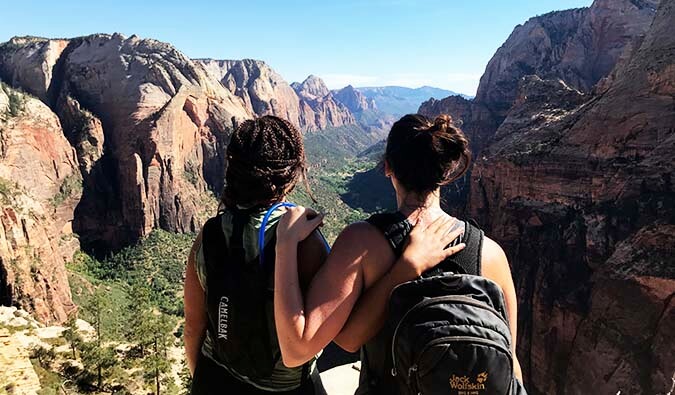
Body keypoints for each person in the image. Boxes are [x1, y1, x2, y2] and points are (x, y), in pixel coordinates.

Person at [274, 114, 523, 393]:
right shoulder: (490, 253)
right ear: (445, 172)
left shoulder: (362, 243)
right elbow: (509, 360)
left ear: (388, 168)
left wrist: (284, 245)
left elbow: (314, 346)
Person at [183, 116, 329, 394]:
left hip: (215, 377)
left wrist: (203, 380)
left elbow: (193, 327)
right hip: (288, 387)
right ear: (292, 173)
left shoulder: (210, 233)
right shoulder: (306, 239)